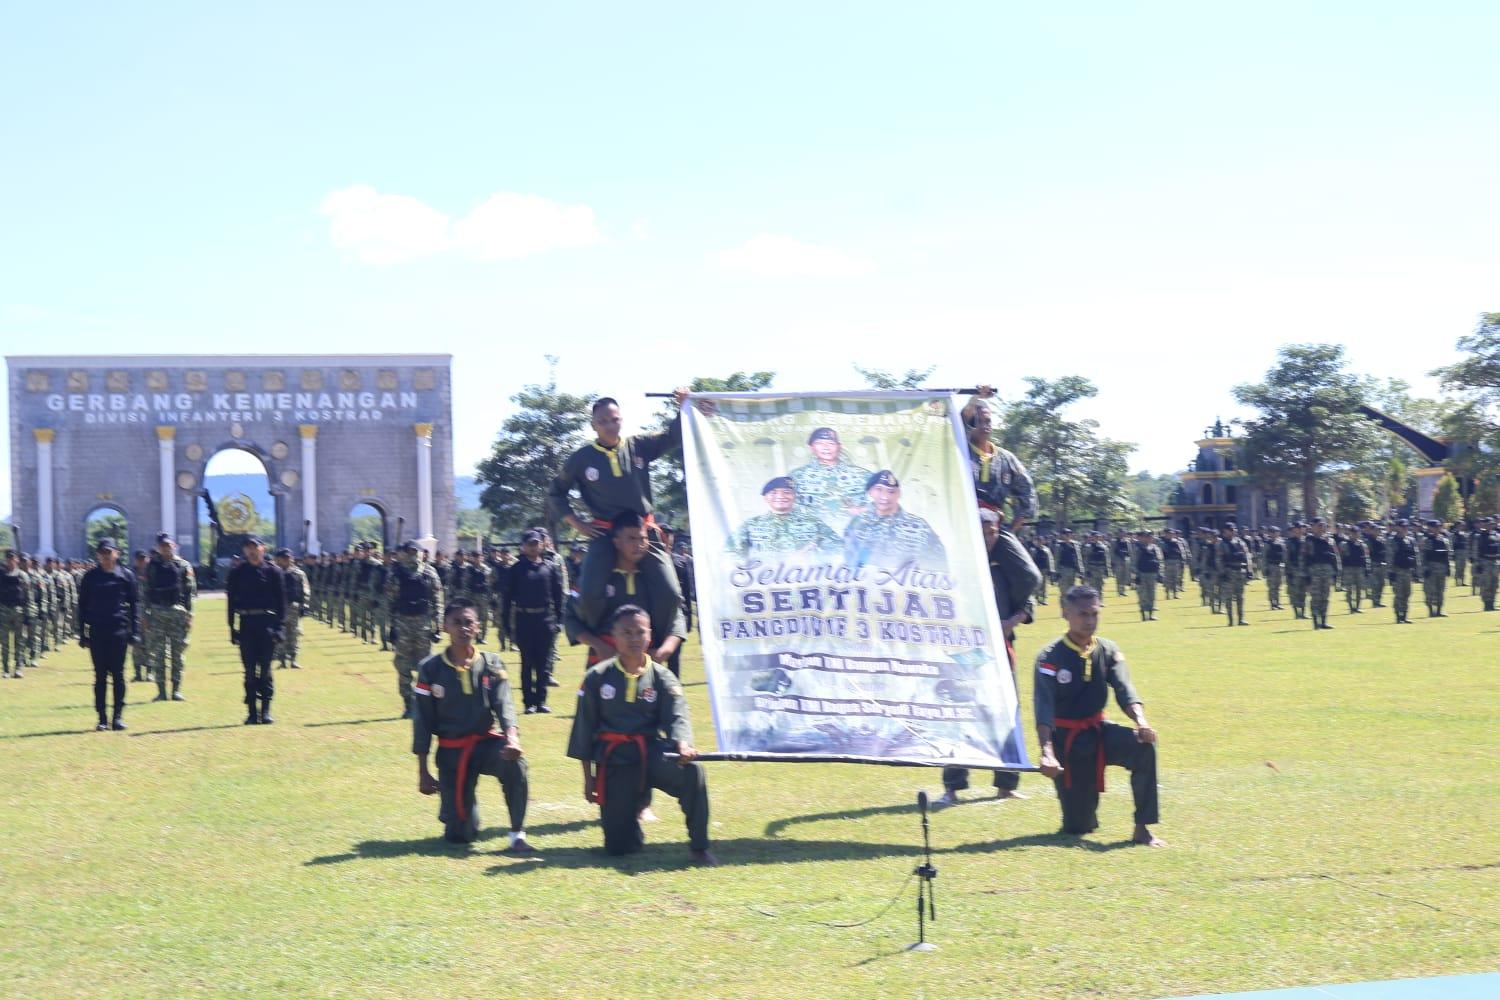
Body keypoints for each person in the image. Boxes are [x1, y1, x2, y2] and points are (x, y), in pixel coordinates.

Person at [566, 604, 716, 864]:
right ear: (613, 635)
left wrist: (683, 744)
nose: (634, 638)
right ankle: (629, 818)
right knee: (619, 848)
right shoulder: (597, 678)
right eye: (626, 632)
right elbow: (584, 730)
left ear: (649, 635)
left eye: (640, 632)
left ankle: (699, 847)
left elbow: (677, 715)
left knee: (693, 772)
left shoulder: (662, 677)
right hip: (615, 761)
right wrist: (589, 780)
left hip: (652, 753)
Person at [547, 390, 689, 633]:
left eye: (614, 419)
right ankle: (603, 638)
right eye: (602, 421)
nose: (609, 425)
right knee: (590, 593)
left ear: (621, 420)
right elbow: (556, 492)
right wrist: (577, 523)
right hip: (605, 533)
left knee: (670, 592)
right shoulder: (581, 459)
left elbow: (672, 436)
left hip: (643, 532)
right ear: (593, 426)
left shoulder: (639, 446)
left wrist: (683, 406)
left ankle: (655, 640)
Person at [1034, 586, 1163, 847]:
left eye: (1094, 614)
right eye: (1082, 614)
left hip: (1098, 731)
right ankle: (1079, 813)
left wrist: (1141, 721)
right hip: (1068, 743)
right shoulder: (1050, 657)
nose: (1089, 621)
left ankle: (1142, 828)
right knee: (1079, 827)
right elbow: (1043, 707)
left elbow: (1125, 689)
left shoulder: (1107, 649)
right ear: (1065, 614)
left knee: (1143, 746)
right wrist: (1047, 751)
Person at [936, 508, 1040, 806]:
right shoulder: (958, 562)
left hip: (998, 646)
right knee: (959, 709)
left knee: (1004, 711)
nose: (987, 539)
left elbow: (1028, 593)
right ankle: (953, 785)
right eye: (981, 534)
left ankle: (1006, 783)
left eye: (992, 533)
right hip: (964, 646)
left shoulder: (1007, 564)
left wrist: (1014, 619)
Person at [412, 599, 533, 849]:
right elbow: (422, 721)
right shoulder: (430, 669)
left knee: (516, 763)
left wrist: (512, 738)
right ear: (445, 627)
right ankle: (459, 813)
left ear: (478, 627)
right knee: (460, 835)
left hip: (485, 744)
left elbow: (505, 703)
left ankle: (517, 835)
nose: (463, 628)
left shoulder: (491, 663)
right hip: (451, 752)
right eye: (457, 623)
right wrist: (423, 771)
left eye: (469, 623)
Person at [565, 512, 687, 671]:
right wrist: (599, 645)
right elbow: (571, 618)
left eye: (642, 539)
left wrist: (664, 651)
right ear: (616, 542)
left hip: (647, 666)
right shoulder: (596, 580)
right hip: (604, 665)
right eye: (631, 538)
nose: (639, 544)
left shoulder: (655, 581)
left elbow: (676, 616)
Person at [76, 539, 142, 731]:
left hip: (119, 631)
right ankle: (102, 718)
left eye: (109, 552)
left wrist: (135, 631)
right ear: (98, 554)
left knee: (119, 675)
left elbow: (135, 605)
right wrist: (82, 633)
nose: (105, 555)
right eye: (102, 552)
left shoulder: (126, 576)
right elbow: (82, 606)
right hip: (97, 631)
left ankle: (118, 717)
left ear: (116, 553)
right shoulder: (90, 577)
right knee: (100, 676)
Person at [226, 536, 288, 725]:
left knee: (266, 669)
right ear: (245, 551)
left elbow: (281, 602)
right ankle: (252, 712)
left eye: (255, 547)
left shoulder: (273, 571)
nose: (252, 551)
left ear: (263, 548)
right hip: (246, 623)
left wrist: (280, 628)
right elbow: (230, 603)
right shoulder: (237, 573)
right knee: (250, 671)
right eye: (248, 548)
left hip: (267, 624)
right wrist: (232, 629)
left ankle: (266, 711)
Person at [501, 530, 565, 713]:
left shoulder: (550, 567)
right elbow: (506, 598)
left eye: (537, 543)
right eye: (530, 544)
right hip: (524, 619)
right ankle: (529, 702)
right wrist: (506, 623)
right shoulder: (515, 570)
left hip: (545, 619)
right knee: (527, 662)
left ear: (542, 545)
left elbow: (558, 595)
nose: (534, 547)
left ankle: (541, 701)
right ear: (523, 546)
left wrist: (559, 619)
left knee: (544, 664)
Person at [842, 470, 948, 572]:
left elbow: (940, 566)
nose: (885, 496)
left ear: (899, 494)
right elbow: (844, 560)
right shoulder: (858, 523)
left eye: (891, 491)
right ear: (870, 492)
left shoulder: (919, 527)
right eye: (879, 489)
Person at [385, 541, 445, 719]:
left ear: (420, 553)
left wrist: (438, 626)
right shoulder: (395, 573)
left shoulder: (429, 572)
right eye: (408, 552)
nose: (412, 555)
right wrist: (391, 627)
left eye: (415, 552)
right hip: (403, 622)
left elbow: (438, 601)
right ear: (403, 553)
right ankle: (409, 704)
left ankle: (426, 703)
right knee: (402, 665)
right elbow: (390, 602)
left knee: (425, 666)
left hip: (423, 623)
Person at [729, 476, 840, 557]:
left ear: (795, 496)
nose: (781, 496)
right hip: (765, 584)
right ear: (765, 497)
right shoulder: (751, 525)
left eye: (787, 492)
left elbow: (839, 547)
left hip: (807, 581)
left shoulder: (814, 523)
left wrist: (819, 562)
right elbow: (730, 552)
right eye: (773, 492)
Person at [144, 532, 196, 701]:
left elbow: (190, 592)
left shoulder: (183, 565)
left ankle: (176, 690)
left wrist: (190, 615)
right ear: (158, 548)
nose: (165, 548)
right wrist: (145, 614)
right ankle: (161, 691)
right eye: (162, 546)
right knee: (159, 653)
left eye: (168, 545)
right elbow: (145, 591)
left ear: (174, 546)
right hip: (158, 613)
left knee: (177, 653)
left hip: (178, 613)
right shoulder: (151, 566)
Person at [788, 427, 872, 530]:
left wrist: (863, 510)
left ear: (839, 447)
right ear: (811, 447)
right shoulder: (797, 476)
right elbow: (786, 507)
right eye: (820, 443)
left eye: (831, 443)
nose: (826, 447)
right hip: (813, 536)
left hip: (854, 536)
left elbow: (885, 500)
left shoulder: (862, 474)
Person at [1300, 518, 1342, 630]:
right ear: (1312, 526)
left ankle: (1323, 621)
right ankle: (1315, 622)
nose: (1321, 527)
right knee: (1315, 597)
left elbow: (1335, 557)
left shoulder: (1330, 540)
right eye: (1319, 525)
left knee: (1325, 597)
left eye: (1323, 525)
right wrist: (1306, 577)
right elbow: (1303, 559)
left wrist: (1336, 573)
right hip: (1314, 572)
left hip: (1327, 572)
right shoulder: (1307, 541)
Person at [275, 548, 309, 669]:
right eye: (284, 558)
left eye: (288, 558)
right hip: (279, 608)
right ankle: (282, 660)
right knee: (281, 634)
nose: (287, 560)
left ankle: (294, 659)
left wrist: (305, 606)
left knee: (294, 634)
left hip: (294, 607)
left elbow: (305, 591)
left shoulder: (299, 573)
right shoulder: (275, 573)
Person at [1, 549, 32, 679]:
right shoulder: (1, 575)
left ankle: (19, 668)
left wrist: (29, 615)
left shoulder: (23, 576)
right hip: (3, 611)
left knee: (20, 642)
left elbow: (28, 597)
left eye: (12, 558)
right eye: (8, 558)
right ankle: (6, 669)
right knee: (5, 642)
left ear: (16, 560)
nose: (10, 561)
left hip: (19, 611)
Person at [1216, 523, 1253, 626]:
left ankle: (1241, 619)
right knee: (1229, 598)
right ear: (1225, 531)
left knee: (1240, 597)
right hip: (1228, 572)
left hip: (1240, 572)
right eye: (1230, 530)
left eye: (1233, 530)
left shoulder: (1240, 543)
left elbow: (1247, 557)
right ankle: (1231, 620)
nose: (1232, 531)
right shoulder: (1222, 544)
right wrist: (1222, 573)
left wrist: (1249, 571)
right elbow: (1219, 560)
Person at [1388, 519, 1421, 624]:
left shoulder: (1411, 540)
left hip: (1408, 571)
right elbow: (1389, 557)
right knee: (1399, 594)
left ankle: (1405, 616)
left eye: (1406, 526)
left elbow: (1416, 556)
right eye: (1402, 526)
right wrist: (1391, 573)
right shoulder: (1392, 541)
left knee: (1407, 594)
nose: (1405, 528)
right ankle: (1398, 616)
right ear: (1397, 527)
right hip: (1397, 571)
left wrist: (1416, 572)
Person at [1420, 520, 1453, 617]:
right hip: (1431, 568)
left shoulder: (1444, 540)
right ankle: (1431, 611)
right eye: (1435, 527)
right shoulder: (1426, 540)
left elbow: (1448, 555)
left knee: (1441, 590)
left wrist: (1448, 567)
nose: (1438, 528)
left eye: (1439, 527)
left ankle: (1439, 610)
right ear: (1430, 528)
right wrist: (1424, 568)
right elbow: (1423, 556)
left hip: (1442, 568)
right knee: (1429, 590)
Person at [1133, 529, 1163, 621]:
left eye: (1150, 536)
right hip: (1142, 574)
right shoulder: (1138, 548)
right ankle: (1143, 614)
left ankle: (1150, 614)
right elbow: (1134, 563)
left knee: (1152, 594)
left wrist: (1160, 573)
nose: (1148, 538)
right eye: (1146, 536)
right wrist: (1136, 575)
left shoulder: (1155, 548)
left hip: (1153, 574)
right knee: (1142, 594)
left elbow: (1160, 561)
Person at [1261, 526, 1286, 610]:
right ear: (1270, 533)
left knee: (1278, 586)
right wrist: (1264, 569)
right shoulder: (1267, 544)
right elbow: (1264, 557)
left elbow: (1284, 554)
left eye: (1277, 532)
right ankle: (1272, 603)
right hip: (1271, 566)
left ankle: (1278, 603)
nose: (1276, 534)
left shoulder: (1281, 542)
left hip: (1279, 566)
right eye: (1274, 532)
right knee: (1272, 586)